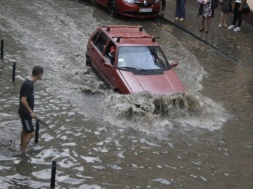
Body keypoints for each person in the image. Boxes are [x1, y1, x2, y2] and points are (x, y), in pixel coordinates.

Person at [18, 65, 43, 153]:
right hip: (25, 113)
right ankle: (23, 152)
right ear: (39, 74)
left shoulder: (28, 81)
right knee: (31, 133)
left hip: (25, 111)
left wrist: (31, 111)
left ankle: (22, 146)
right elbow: (23, 100)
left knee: (25, 130)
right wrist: (30, 112)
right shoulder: (29, 85)